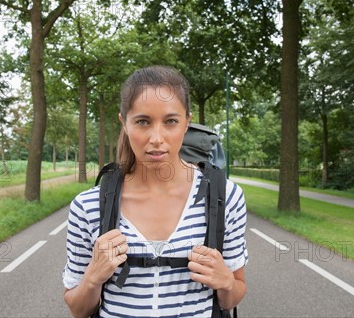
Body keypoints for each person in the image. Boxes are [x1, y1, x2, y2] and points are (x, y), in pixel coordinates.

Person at [63, 66, 248, 317]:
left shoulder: (226, 196)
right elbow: (78, 308)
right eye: (142, 122)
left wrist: (226, 281)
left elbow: (232, 297)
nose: (157, 138)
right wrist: (92, 279)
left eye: (171, 121)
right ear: (124, 123)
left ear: (187, 123)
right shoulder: (88, 206)